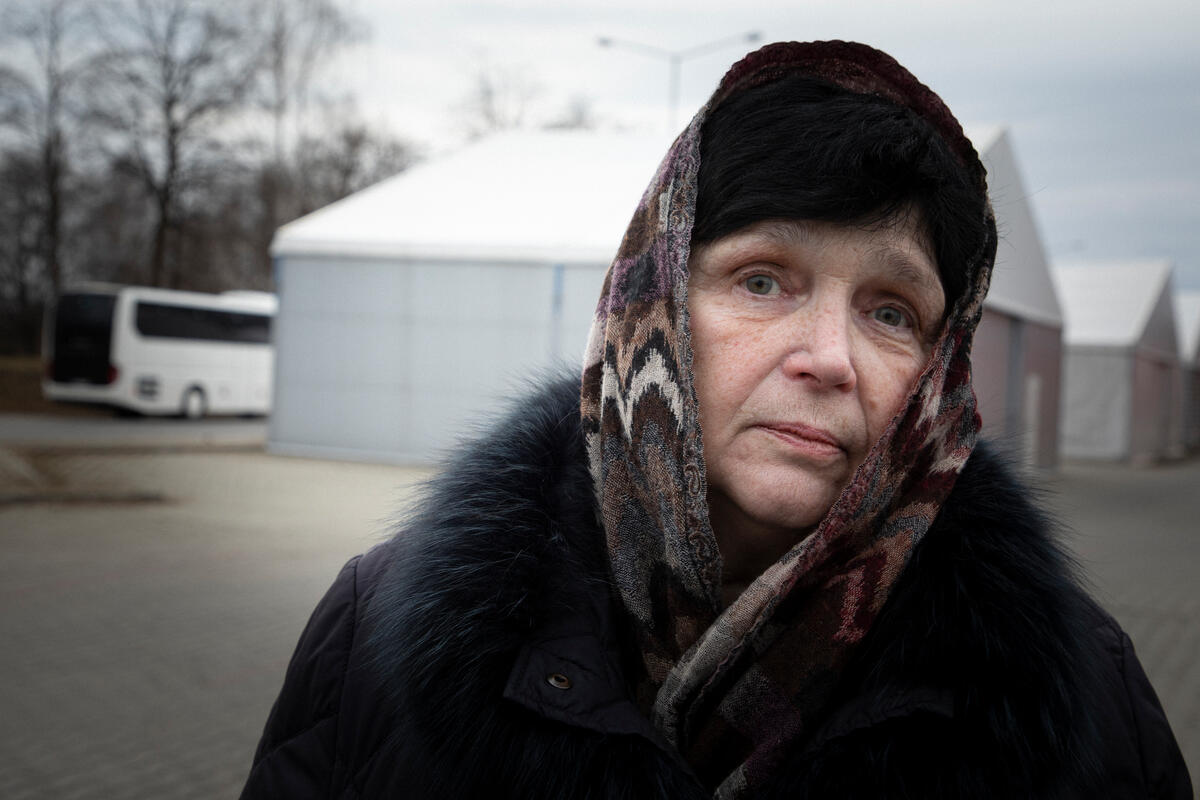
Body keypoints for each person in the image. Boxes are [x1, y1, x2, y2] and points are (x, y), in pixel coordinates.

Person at [241, 41, 1191, 798]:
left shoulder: (1082, 691)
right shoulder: (379, 631)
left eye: (891, 311)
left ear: (939, 370)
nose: (830, 356)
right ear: (648, 305)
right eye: (763, 279)